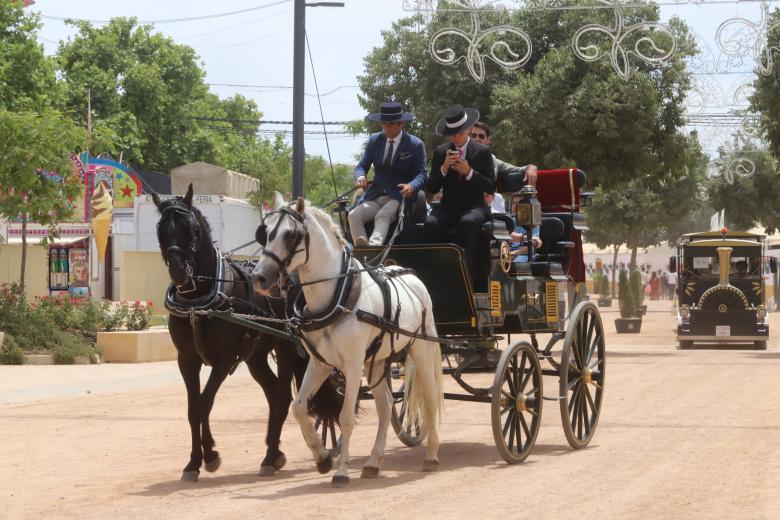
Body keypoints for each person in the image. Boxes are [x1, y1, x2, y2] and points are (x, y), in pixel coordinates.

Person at [424, 105, 495, 289]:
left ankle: (468, 278)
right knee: (430, 224)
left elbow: (491, 186)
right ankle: (433, 277)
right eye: (452, 134)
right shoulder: (441, 152)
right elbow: (432, 187)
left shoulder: (482, 152)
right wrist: (444, 168)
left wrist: (469, 172)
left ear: (469, 130)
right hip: (449, 206)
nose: (456, 138)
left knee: (468, 222)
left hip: (475, 206)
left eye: (459, 133)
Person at [348, 101, 428, 246]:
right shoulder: (375, 140)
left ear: (401, 123)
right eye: (384, 124)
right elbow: (362, 165)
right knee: (354, 215)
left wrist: (411, 186)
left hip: (399, 196)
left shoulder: (415, 144)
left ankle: (373, 248)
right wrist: (360, 176)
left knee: (383, 216)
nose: (387, 127)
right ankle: (361, 248)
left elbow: (422, 174)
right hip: (375, 194)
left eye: (391, 124)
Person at [471, 121, 538, 187]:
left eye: (481, 136)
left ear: (488, 140)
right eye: (473, 136)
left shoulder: (492, 159)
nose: (477, 139)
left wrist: (531, 168)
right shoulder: (462, 157)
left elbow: (516, 169)